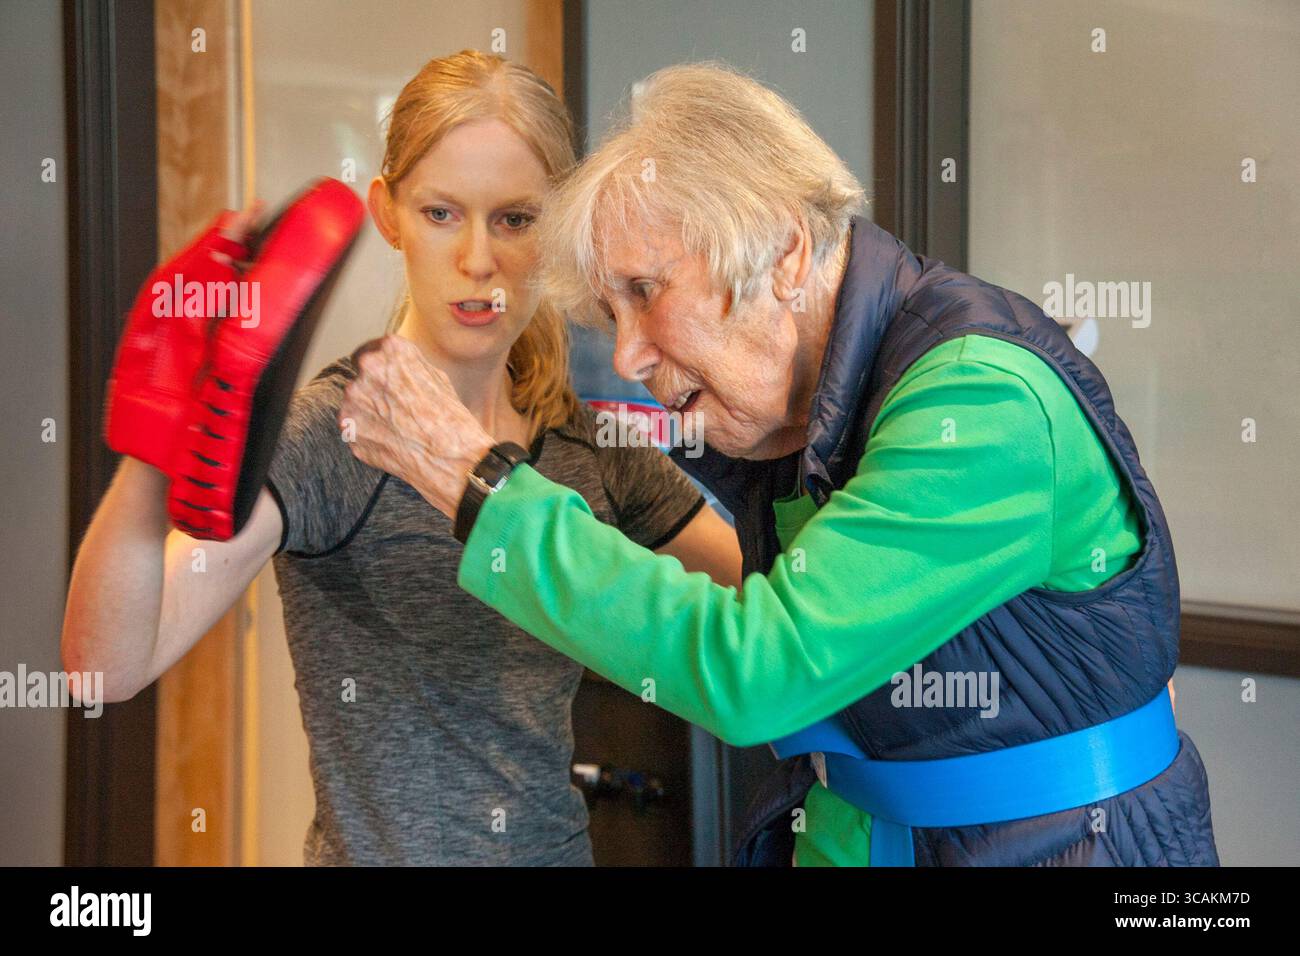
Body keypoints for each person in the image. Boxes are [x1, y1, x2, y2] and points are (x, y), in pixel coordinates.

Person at [339, 61, 1218, 867]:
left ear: (786, 251)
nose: (633, 355)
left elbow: (760, 670)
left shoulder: (984, 403)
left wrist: (479, 484)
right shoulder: (783, 418)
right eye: (613, 315)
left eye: (646, 293)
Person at [61, 50, 741, 866]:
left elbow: (770, 614)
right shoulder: (338, 433)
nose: (479, 260)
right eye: (442, 213)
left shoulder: (588, 446)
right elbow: (105, 669)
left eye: (516, 219)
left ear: (558, 224)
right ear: (388, 215)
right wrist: (151, 452)